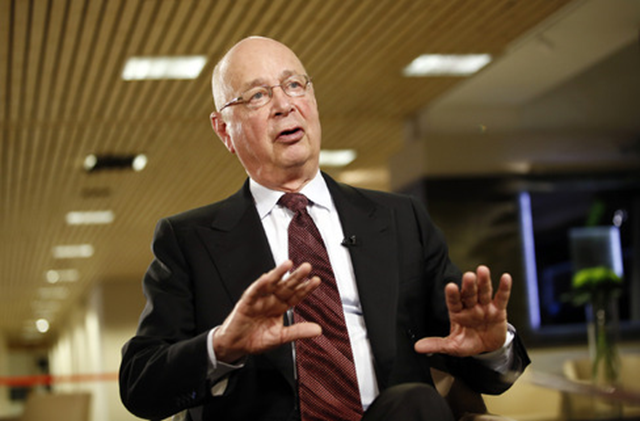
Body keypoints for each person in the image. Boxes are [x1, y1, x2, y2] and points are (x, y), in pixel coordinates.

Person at [119, 36, 530, 421]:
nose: (284, 105)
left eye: (294, 85)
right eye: (259, 95)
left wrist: (493, 348)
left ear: (312, 99)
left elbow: (476, 361)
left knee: (415, 401)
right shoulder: (188, 240)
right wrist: (222, 345)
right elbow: (140, 384)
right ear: (224, 129)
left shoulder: (400, 219)